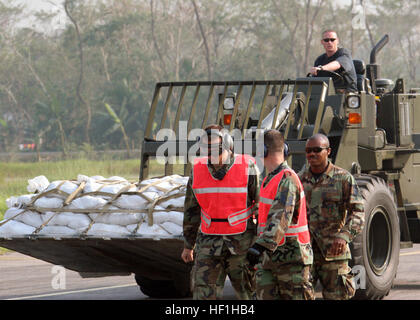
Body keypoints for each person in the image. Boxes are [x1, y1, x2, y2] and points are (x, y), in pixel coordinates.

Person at [181, 124, 260, 300]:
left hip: (241, 245)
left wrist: (261, 243)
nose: (210, 153)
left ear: (227, 145)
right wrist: (188, 244)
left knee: (248, 294)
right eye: (205, 148)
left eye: (214, 147)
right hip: (208, 244)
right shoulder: (198, 169)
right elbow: (191, 210)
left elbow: (261, 205)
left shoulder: (247, 166)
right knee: (203, 295)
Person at [247, 130, 314, 300]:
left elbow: (280, 218)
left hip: (291, 261)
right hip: (271, 258)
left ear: (263, 151)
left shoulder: (287, 179)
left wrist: (258, 247)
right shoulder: (270, 179)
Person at [298, 133, 365, 300]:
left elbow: (357, 212)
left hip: (334, 253)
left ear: (328, 151)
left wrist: (344, 236)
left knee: (338, 296)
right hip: (305, 253)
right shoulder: (298, 180)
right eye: (308, 150)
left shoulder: (343, 179)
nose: (311, 154)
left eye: (316, 150)